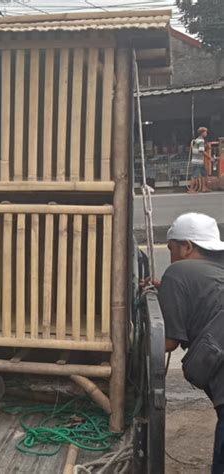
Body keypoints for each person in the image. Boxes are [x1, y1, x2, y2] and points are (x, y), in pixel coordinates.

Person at [157, 213, 224, 473]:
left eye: (171, 250)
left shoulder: (178, 271)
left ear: (186, 247)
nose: (171, 257)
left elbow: (167, 343)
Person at [189, 127, 211, 193]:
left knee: (204, 173)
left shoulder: (197, 140)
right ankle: (191, 189)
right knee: (195, 175)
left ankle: (204, 188)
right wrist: (209, 157)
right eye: (205, 132)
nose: (206, 133)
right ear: (202, 133)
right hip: (197, 161)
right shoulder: (201, 140)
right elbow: (201, 151)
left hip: (199, 161)